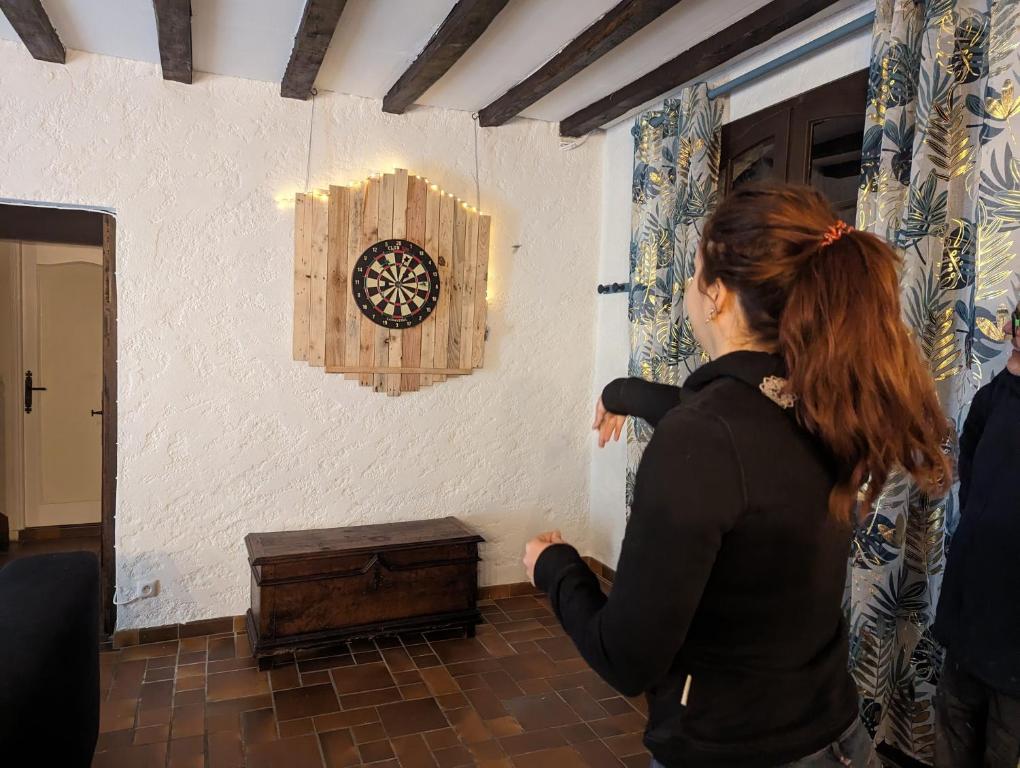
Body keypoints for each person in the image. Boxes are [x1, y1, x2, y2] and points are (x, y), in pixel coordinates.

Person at [523, 184, 951, 767]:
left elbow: (625, 658)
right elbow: (717, 419)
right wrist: (619, 393)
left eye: (695, 274)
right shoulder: (817, 405)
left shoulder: (706, 437)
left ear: (718, 296)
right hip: (837, 738)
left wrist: (553, 566)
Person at [933, 308, 1020, 767]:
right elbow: (971, 483)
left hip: (1013, 651)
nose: (1008, 329)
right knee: (951, 733)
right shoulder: (992, 399)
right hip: (968, 623)